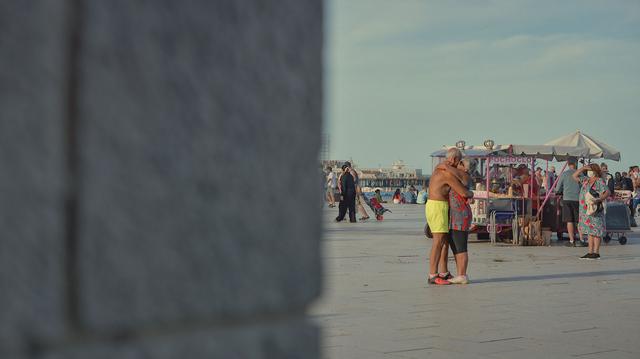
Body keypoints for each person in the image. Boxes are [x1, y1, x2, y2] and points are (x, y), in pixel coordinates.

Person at [425, 148, 473, 285]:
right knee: (438, 241)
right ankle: (432, 275)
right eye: (459, 162)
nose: (459, 165)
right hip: (437, 206)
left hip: (440, 206)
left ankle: (443, 272)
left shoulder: (443, 169)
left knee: (444, 242)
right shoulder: (446, 173)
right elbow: (463, 191)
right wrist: (471, 194)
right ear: (455, 160)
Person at [440, 158, 474, 284]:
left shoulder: (463, 175)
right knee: (456, 245)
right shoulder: (462, 175)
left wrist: (444, 164)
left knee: (460, 245)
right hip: (457, 215)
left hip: (460, 215)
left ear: (465, 168)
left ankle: (462, 275)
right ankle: (461, 274)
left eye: (461, 163)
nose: (457, 165)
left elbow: (448, 169)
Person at [573, 164, 609, 259]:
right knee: (590, 231)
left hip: (595, 209)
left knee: (596, 231)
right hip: (585, 210)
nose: (588, 171)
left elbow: (607, 192)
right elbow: (574, 176)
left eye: (590, 170)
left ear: (595, 171)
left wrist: (598, 199)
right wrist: (583, 168)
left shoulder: (599, 181)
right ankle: (590, 252)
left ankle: (596, 252)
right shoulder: (586, 180)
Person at [556, 158, 587, 247]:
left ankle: (571, 241)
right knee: (578, 221)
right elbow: (584, 186)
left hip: (567, 199)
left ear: (568, 164)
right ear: (576, 164)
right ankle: (581, 240)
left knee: (569, 220)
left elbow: (558, 188)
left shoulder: (564, 174)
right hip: (578, 199)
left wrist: (561, 191)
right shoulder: (580, 174)